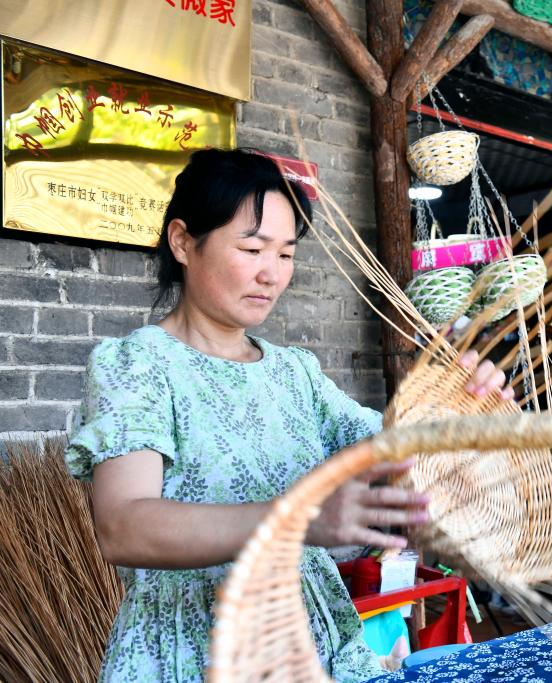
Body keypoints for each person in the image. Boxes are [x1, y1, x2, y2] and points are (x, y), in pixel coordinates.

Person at [65, 148, 513, 682]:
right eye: (252, 249)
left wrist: (458, 415)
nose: (271, 275)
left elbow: (391, 447)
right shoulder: (137, 365)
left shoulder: (294, 372)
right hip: (194, 650)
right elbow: (123, 527)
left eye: (285, 254)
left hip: (310, 641)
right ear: (183, 242)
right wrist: (294, 519)